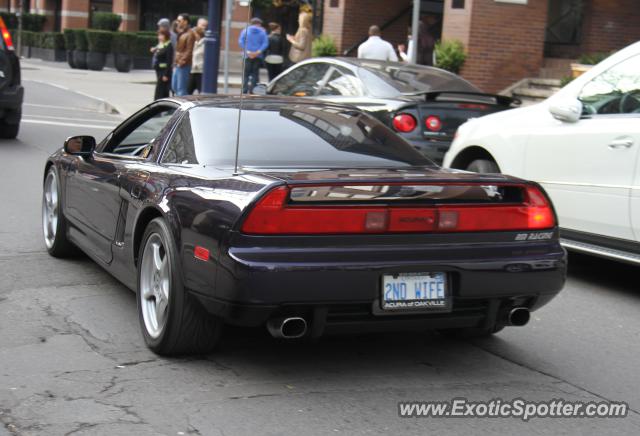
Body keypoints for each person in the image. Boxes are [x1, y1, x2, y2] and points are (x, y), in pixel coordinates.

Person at [238, 17, 269, 94]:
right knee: (255, 74)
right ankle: (252, 90)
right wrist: (258, 52)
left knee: (246, 74)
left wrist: (247, 51)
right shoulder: (262, 32)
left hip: (247, 56)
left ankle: (244, 90)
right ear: (259, 24)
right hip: (257, 56)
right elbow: (265, 43)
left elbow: (241, 42)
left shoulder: (245, 31)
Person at [172, 13, 196, 97]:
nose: (177, 22)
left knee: (181, 89)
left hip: (184, 64)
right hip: (178, 62)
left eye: (179, 21)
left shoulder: (190, 34)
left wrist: (182, 61)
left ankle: (184, 107)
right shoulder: (182, 32)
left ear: (185, 22)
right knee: (174, 86)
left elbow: (189, 50)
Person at [152, 29, 173, 100]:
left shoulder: (169, 46)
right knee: (161, 90)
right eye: (159, 35)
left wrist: (166, 74)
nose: (159, 37)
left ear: (166, 36)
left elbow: (169, 61)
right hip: (159, 70)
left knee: (161, 91)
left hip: (164, 72)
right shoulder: (161, 44)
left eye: (161, 35)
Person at [189, 26, 205, 94]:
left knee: (201, 91)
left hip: (200, 71)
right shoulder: (194, 43)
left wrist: (199, 65)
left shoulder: (205, 44)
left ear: (198, 34)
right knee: (188, 91)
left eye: (194, 34)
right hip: (193, 71)